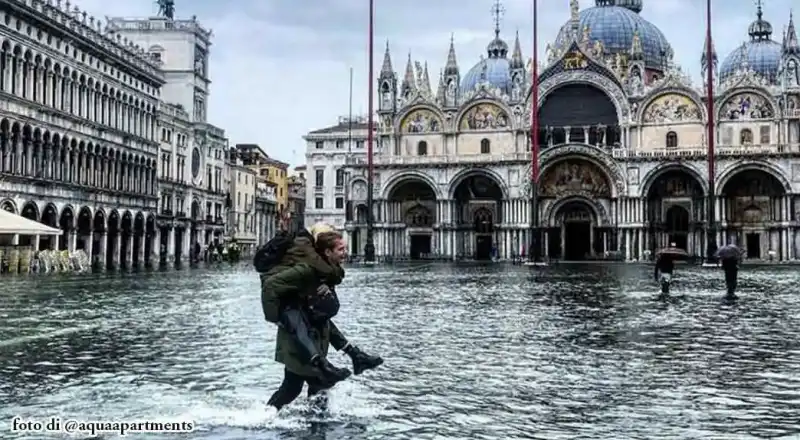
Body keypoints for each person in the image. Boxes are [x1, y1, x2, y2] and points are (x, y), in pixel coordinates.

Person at [261, 228, 382, 410]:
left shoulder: (326, 273)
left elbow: (321, 309)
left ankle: (272, 417)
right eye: (340, 249)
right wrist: (275, 318)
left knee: (302, 388)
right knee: (302, 387)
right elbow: (270, 287)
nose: (345, 253)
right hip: (298, 339)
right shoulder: (306, 270)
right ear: (327, 252)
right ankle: (268, 418)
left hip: (313, 337)